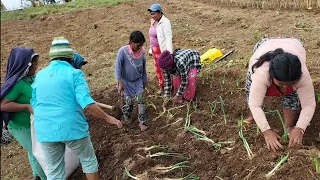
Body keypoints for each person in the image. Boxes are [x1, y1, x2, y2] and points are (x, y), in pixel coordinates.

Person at [31, 37, 123, 180]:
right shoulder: (74, 74)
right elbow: (87, 103)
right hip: (71, 127)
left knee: (54, 172)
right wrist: (108, 118)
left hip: (45, 130)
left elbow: (34, 104)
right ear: (70, 57)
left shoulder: (40, 76)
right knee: (88, 159)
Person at [244, 37, 316, 152]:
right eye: (281, 83)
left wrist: (300, 128)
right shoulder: (261, 73)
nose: (285, 87)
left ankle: (289, 126)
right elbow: (255, 104)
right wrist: (266, 131)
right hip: (265, 45)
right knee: (250, 91)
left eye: (290, 83)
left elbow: (309, 105)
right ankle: (252, 117)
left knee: (292, 96)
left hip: (294, 44)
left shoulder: (302, 76)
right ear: (272, 76)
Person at [0, 47, 46, 180]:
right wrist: (26, 106)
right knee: (36, 152)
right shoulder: (16, 84)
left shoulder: (31, 79)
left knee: (33, 149)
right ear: (26, 65)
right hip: (20, 126)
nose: (37, 67)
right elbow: (3, 105)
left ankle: (36, 175)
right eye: (35, 64)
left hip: (30, 122)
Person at [115, 31, 148, 131]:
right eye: (138, 45)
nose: (139, 47)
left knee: (141, 100)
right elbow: (118, 67)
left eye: (141, 45)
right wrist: (120, 82)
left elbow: (143, 67)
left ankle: (142, 122)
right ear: (131, 42)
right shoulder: (123, 51)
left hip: (138, 81)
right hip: (126, 82)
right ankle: (127, 119)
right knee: (128, 102)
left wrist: (144, 80)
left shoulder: (142, 52)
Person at [148, 3, 173, 95]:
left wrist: (169, 53)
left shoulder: (165, 22)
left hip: (162, 51)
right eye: (151, 14)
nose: (152, 15)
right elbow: (152, 37)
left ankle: (169, 87)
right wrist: (151, 49)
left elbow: (168, 38)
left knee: (165, 70)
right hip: (155, 51)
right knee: (158, 70)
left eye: (154, 13)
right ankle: (161, 86)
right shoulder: (153, 22)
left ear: (160, 13)